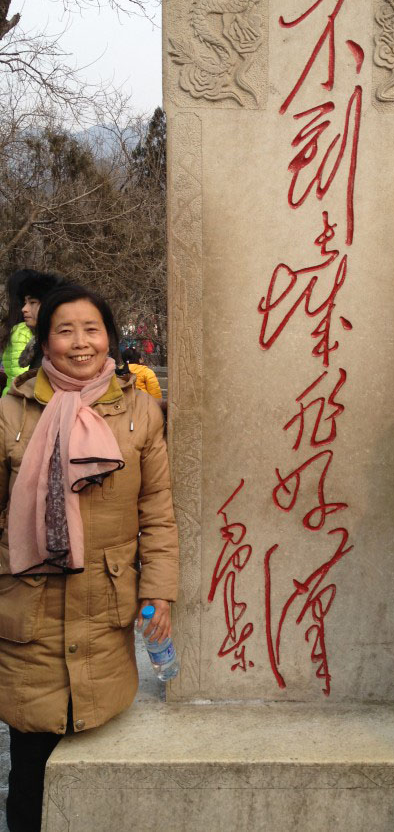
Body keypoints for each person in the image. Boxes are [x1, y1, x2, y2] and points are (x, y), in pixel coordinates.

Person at [0, 283, 178, 832]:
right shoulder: (11, 411)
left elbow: (157, 510)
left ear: (109, 338)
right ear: (44, 341)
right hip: (28, 609)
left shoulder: (140, 411)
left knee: (98, 756)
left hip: (105, 604)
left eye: (91, 329)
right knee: (30, 771)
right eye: (65, 330)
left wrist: (159, 589)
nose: (80, 342)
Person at [1, 271, 63, 395]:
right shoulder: (31, 337)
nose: (24, 309)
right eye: (25, 303)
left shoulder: (57, 343)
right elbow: (20, 379)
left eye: (32, 302)